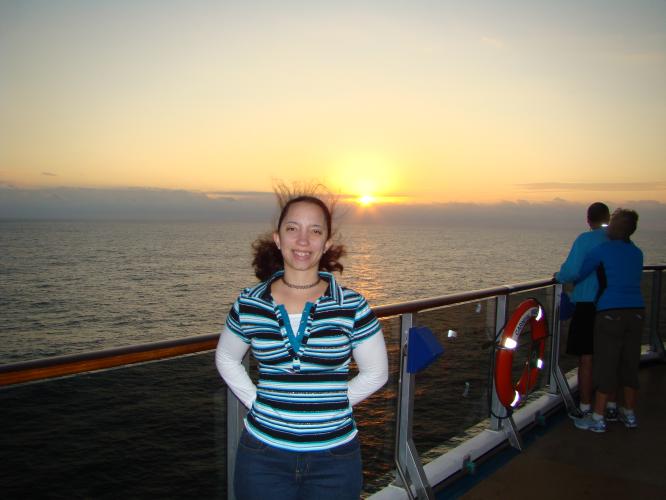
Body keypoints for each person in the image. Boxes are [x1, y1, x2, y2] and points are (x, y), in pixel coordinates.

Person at [215, 187, 389, 500]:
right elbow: (227, 358)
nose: (303, 240)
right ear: (278, 238)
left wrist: (331, 405)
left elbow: (376, 372)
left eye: (315, 231)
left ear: (327, 243)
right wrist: (258, 402)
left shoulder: (352, 305)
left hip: (335, 458)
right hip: (263, 455)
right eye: (293, 229)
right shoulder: (250, 302)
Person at [572, 209, 645, 433]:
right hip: (636, 312)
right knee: (629, 363)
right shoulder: (637, 252)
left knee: (607, 364)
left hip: (610, 312)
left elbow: (579, 273)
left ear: (615, 227)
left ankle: (598, 418)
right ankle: (629, 414)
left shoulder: (603, 250)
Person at [555, 202, 610, 417]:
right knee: (609, 356)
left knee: (587, 357)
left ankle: (586, 406)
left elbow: (572, 271)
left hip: (588, 305)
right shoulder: (618, 241)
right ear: (608, 218)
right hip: (612, 305)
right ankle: (610, 406)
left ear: (588, 219)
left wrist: (559, 277)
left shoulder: (585, 240)